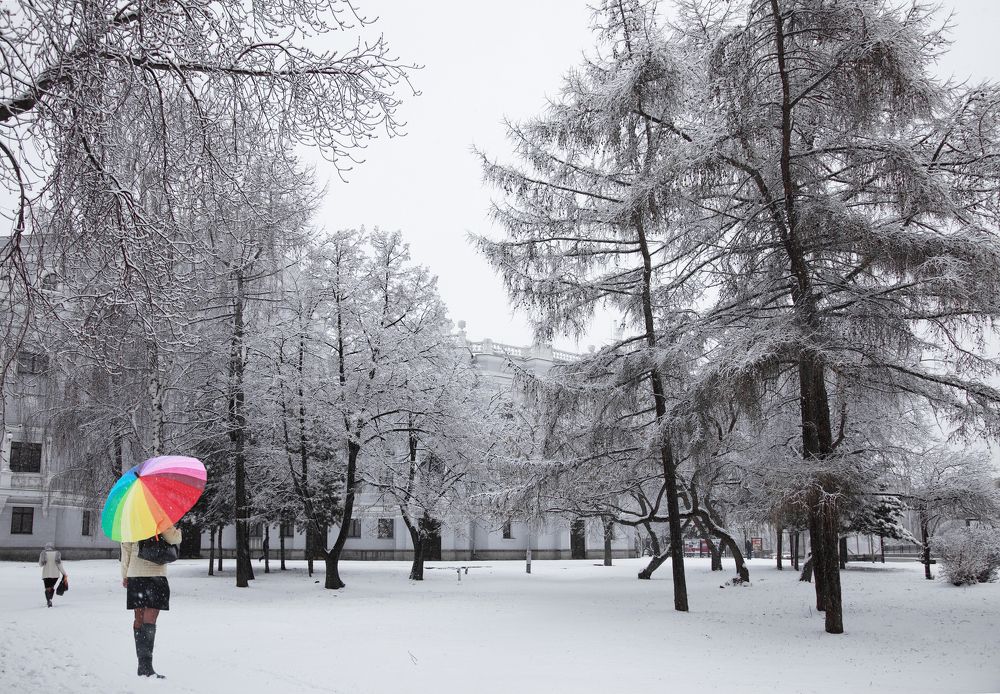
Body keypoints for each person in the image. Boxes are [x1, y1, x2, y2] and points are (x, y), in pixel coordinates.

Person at [121, 524, 182, 679]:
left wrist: (125, 574)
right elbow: (175, 538)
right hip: (156, 573)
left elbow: (126, 548)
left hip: (136, 573)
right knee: (150, 619)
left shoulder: (132, 518)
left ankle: (143, 665)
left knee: (139, 618)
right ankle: (146, 666)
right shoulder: (159, 517)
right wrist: (175, 528)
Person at [38, 542, 67, 607]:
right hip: (55, 575)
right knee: (52, 587)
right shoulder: (57, 553)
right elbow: (59, 565)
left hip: (46, 574)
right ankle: (50, 599)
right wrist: (64, 573)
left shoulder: (43, 553)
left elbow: (40, 564)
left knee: (47, 588)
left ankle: (49, 601)